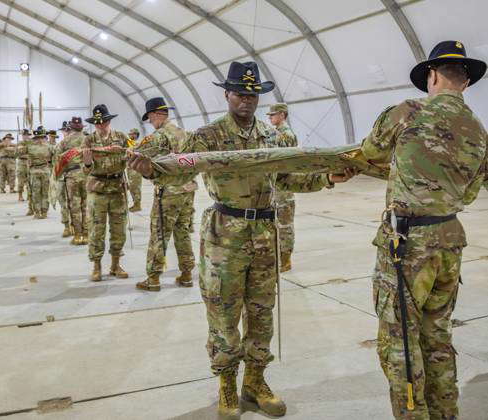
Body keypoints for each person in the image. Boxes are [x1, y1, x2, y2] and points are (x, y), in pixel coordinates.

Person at [129, 62, 354, 419]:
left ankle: (256, 381)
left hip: (265, 233)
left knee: (262, 312)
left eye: (252, 95)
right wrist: (151, 171)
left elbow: (287, 179)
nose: (246, 101)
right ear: (227, 95)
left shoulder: (271, 136)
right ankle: (227, 384)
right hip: (225, 234)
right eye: (239, 94)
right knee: (223, 311)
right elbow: (178, 174)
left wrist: (327, 177)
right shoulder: (208, 136)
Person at [361, 41, 488, 419]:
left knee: (399, 342)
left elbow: (372, 152)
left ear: (432, 75)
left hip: (408, 245)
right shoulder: (478, 130)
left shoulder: (406, 112)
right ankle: (446, 413)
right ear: (465, 81)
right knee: (437, 337)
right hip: (450, 240)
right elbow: (476, 184)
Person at [134, 97, 198, 292]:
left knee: (159, 234)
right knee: (183, 232)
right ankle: (187, 274)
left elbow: (135, 154)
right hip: (187, 190)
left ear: (154, 115)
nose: (151, 122)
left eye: (150, 118)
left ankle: (153, 278)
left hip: (168, 192)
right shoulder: (185, 134)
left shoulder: (158, 137)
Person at [82, 105, 129, 282]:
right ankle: (96, 266)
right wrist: (87, 163)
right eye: (97, 124)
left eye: (104, 123)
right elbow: (85, 171)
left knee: (119, 229)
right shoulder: (88, 141)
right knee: (96, 229)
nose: (101, 126)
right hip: (97, 189)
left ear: (109, 121)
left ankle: (115, 265)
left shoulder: (121, 138)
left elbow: (131, 156)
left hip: (117, 189)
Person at [267, 103, 298, 272]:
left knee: (285, 226)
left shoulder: (286, 135)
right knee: (277, 224)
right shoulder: (278, 133)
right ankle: (280, 257)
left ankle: (285, 259)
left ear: (282, 115)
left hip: (284, 189)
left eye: (273, 115)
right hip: (277, 188)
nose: (270, 118)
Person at [56, 117, 88, 245]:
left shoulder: (64, 142)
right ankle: (87, 234)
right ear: (82, 127)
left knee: (74, 206)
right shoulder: (89, 139)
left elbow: (58, 160)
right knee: (86, 205)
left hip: (71, 176)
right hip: (87, 175)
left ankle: (78, 235)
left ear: (70, 127)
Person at [20, 127, 53, 219]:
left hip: (37, 170)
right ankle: (41, 212)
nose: (40, 139)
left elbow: (17, 153)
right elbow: (55, 159)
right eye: (40, 138)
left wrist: (25, 143)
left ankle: (40, 212)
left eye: (41, 137)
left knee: (38, 192)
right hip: (42, 170)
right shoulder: (49, 146)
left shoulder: (31, 146)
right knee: (41, 192)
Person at [56, 121, 73, 237]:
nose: (67, 132)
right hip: (62, 177)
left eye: (69, 130)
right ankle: (66, 226)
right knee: (63, 202)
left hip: (75, 177)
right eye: (65, 130)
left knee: (75, 202)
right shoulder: (60, 145)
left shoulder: (79, 143)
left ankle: (76, 226)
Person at [16, 129, 33, 212]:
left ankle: (29, 195)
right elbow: (18, 152)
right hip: (22, 162)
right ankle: (20, 195)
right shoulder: (19, 143)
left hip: (29, 162)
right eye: (24, 135)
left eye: (27, 135)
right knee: (21, 180)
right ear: (22, 136)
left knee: (30, 180)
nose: (26, 136)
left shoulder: (31, 142)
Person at [127, 128, 143, 212]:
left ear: (136, 135)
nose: (130, 135)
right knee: (132, 187)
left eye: (132, 134)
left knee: (135, 187)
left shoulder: (138, 144)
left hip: (135, 169)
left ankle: (137, 205)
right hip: (130, 169)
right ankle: (135, 204)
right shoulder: (130, 144)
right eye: (129, 134)